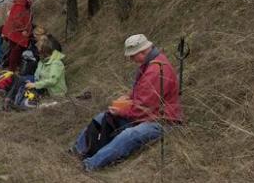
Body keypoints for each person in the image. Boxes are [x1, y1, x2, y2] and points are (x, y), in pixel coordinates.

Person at [71, 34, 183, 171]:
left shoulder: (155, 70)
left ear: (142, 52)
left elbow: (143, 109)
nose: (131, 59)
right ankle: (77, 151)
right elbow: (142, 93)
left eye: (132, 55)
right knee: (102, 118)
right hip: (149, 116)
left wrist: (121, 111)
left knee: (129, 135)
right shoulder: (150, 63)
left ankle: (90, 165)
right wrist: (128, 96)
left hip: (162, 121)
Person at [3, 36, 66, 110]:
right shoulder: (43, 60)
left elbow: (53, 81)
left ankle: (20, 103)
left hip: (51, 91)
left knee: (24, 87)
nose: (37, 52)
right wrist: (31, 81)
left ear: (44, 52)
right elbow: (37, 75)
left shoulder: (56, 64)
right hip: (42, 85)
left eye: (39, 51)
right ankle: (9, 100)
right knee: (19, 79)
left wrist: (34, 84)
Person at [1, 0, 36, 71]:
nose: (32, 1)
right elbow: (16, 20)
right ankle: (12, 70)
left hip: (16, 31)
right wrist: (23, 30)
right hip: (16, 32)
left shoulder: (24, 5)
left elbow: (25, 19)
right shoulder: (20, 5)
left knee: (16, 50)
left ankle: (16, 67)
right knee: (16, 50)